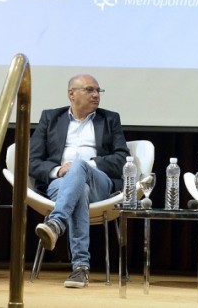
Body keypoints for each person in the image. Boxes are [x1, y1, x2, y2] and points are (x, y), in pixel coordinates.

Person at [29, 74, 130, 289]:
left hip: (99, 183)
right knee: (79, 191)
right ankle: (80, 268)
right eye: (89, 90)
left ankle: (56, 223)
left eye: (98, 91)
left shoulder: (110, 119)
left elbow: (122, 158)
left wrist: (84, 166)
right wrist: (57, 170)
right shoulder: (50, 118)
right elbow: (31, 161)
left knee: (80, 167)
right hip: (60, 182)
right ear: (71, 94)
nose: (96, 95)